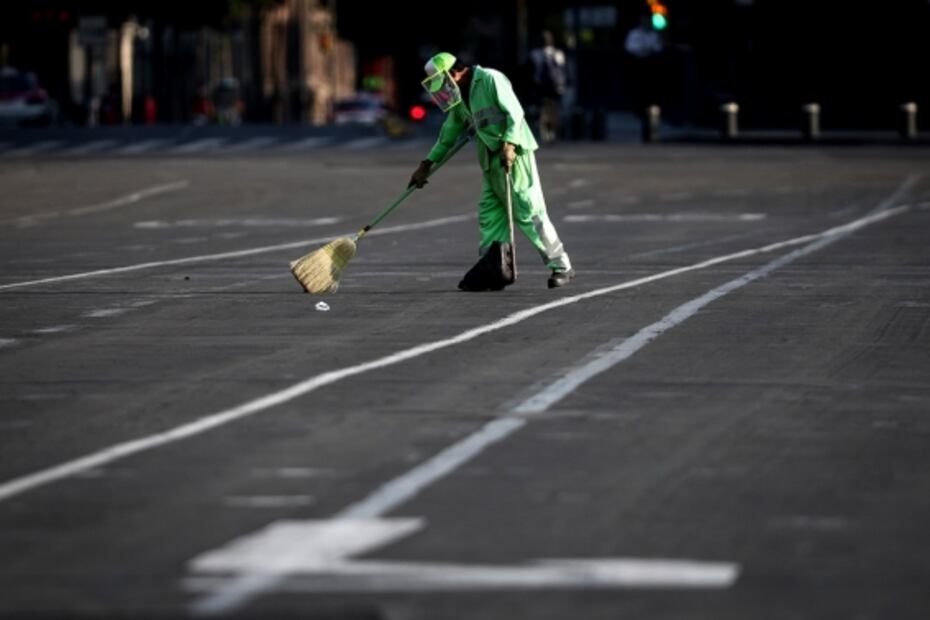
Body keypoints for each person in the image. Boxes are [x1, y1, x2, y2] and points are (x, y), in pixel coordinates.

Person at [409, 52, 574, 289]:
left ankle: (561, 266)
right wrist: (426, 164)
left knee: (528, 211)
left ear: (454, 72)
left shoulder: (489, 79)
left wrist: (509, 144)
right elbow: (449, 134)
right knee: (490, 215)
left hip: (514, 155)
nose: (444, 89)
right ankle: (496, 269)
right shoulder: (459, 98)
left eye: (444, 82)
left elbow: (515, 114)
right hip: (490, 160)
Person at [529, 31, 567, 143]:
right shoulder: (558, 53)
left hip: (540, 87)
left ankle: (543, 130)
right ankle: (553, 130)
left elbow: (531, 72)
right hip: (556, 87)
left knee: (541, 107)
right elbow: (563, 70)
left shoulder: (535, 54)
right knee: (554, 108)